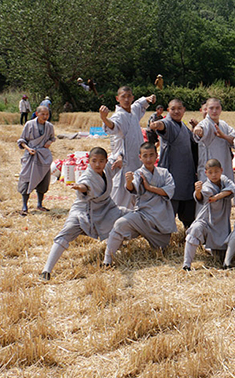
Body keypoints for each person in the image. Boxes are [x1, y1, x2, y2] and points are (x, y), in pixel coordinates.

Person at [40, 147, 125, 281]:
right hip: (84, 210)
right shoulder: (87, 175)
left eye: (101, 161)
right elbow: (84, 185)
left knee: (125, 219)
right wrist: (80, 187)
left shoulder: (108, 168)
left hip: (106, 207)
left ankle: (110, 257)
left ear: (106, 161)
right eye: (94, 161)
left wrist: (120, 159)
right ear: (89, 161)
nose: (98, 164)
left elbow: (118, 154)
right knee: (65, 233)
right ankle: (46, 270)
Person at [103, 142, 177, 266]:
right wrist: (128, 182)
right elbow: (132, 187)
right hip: (142, 216)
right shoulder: (137, 174)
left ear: (156, 156)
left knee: (162, 249)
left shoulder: (164, 173)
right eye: (145, 156)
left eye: (151, 155)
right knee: (120, 224)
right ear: (140, 157)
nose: (148, 159)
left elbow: (169, 191)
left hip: (161, 221)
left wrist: (149, 187)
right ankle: (107, 261)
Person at [99, 86, 155, 209]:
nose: (126, 99)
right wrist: (104, 118)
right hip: (124, 162)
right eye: (123, 96)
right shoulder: (119, 116)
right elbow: (112, 126)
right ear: (117, 98)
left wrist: (149, 99)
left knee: (136, 194)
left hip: (137, 161)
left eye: (129, 96)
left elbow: (140, 104)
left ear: (132, 97)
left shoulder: (133, 111)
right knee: (121, 196)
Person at [150, 99, 198, 229]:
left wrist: (194, 128)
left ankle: (189, 234)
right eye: (172, 109)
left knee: (188, 211)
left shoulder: (182, 126)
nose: (176, 111)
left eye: (179, 108)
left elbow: (193, 142)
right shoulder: (168, 123)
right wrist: (157, 125)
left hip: (187, 175)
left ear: (184, 110)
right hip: (173, 174)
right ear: (168, 110)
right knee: (169, 210)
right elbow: (163, 126)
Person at [182, 159, 235, 271]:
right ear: (206, 173)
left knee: (220, 256)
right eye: (210, 172)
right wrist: (197, 191)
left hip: (221, 224)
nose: (214, 175)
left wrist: (217, 197)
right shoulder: (206, 187)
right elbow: (201, 196)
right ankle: (186, 265)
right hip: (206, 220)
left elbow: (233, 188)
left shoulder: (224, 180)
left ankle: (210, 249)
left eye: (216, 172)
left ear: (221, 171)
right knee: (194, 231)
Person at [17, 105, 55, 214]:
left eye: (47, 114)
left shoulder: (49, 126)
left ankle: (40, 204)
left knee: (43, 180)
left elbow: (52, 137)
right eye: (42, 114)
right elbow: (22, 140)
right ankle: (24, 206)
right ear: (37, 114)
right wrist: (28, 149)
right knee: (26, 179)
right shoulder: (29, 125)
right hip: (31, 156)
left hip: (44, 156)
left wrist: (50, 142)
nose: (45, 116)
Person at [193, 98, 235, 181]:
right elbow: (201, 129)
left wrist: (224, 136)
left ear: (221, 109)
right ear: (206, 109)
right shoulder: (206, 123)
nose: (214, 111)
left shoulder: (224, 125)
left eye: (217, 108)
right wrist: (198, 129)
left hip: (225, 167)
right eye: (211, 108)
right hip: (210, 171)